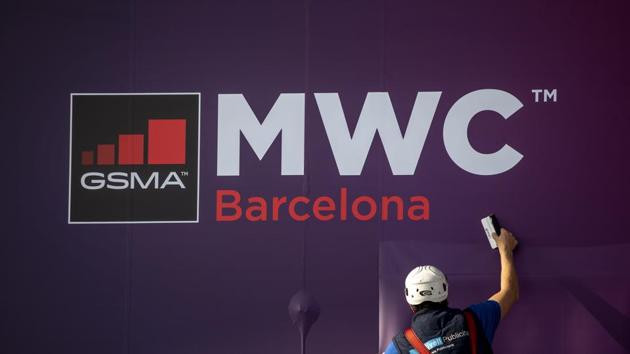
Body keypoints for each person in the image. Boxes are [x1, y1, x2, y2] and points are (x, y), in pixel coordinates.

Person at [384, 228, 519, 354]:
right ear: (445, 292)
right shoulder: (474, 320)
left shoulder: (399, 347)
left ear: (410, 301)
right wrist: (505, 248)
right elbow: (510, 292)